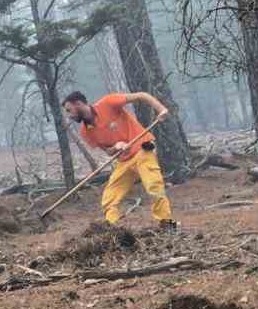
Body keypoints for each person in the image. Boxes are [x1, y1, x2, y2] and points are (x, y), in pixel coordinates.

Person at [62, 90, 175, 228]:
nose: (69, 115)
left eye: (69, 110)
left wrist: (161, 109)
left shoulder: (108, 103)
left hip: (142, 150)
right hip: (124, 161)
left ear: (78, 104)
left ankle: (167, 224)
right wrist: (116, 146)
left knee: (154, 187)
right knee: (109, 199)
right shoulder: (86, 132)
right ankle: (114, 230)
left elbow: (141, 95)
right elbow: (109, 152)